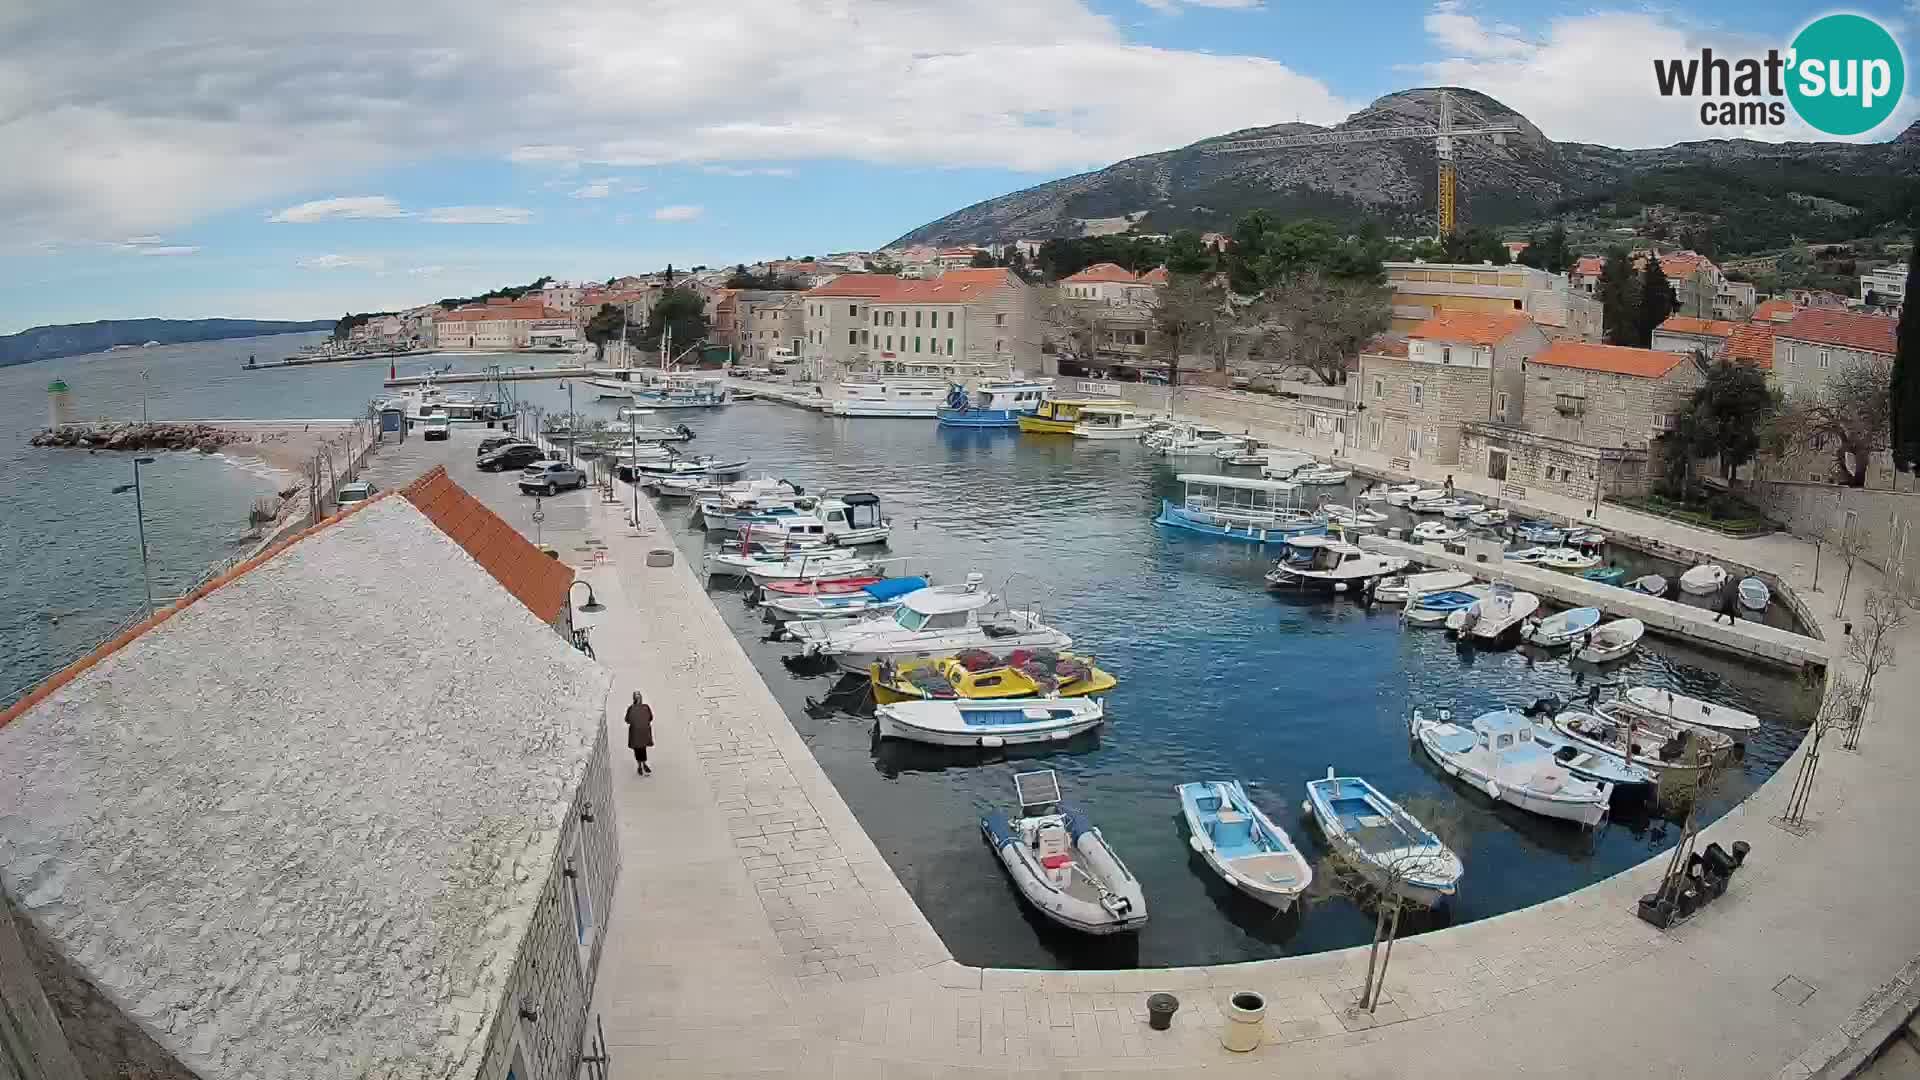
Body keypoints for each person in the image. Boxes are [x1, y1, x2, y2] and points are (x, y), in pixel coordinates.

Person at [625, 690, 654, 775]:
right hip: (644, 732)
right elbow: (651, 718)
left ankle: (639, 765)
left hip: (635, 733)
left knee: (637, 749)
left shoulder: (631, 708)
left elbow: (627, 720)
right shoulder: (646, 707)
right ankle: (644, 763)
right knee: (643, 748)